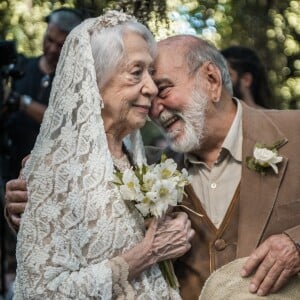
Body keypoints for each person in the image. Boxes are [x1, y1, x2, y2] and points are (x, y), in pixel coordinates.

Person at [6, 35, 300, 299]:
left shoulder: (294, 131)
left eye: (163, 89)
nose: (154, 109)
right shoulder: (143, 168)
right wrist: (29, 201)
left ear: (211, 80)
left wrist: (296, 244)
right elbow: (75, 213)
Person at [11, 11, 194, 299]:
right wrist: (147, 254)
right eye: (137, 72)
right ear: (94, 79)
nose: (151, 87)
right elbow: (41, 292)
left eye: (150, 73)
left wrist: (173, 228)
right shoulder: (54, 169)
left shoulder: (138, 160)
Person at [1, 8, 85, 183]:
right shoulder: (22, 67)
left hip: (48, 178)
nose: (53, 49)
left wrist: (20, 101)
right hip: (9, 169)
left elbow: (62, 123)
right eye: (49, 40)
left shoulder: (75, 83)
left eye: (61, 45)